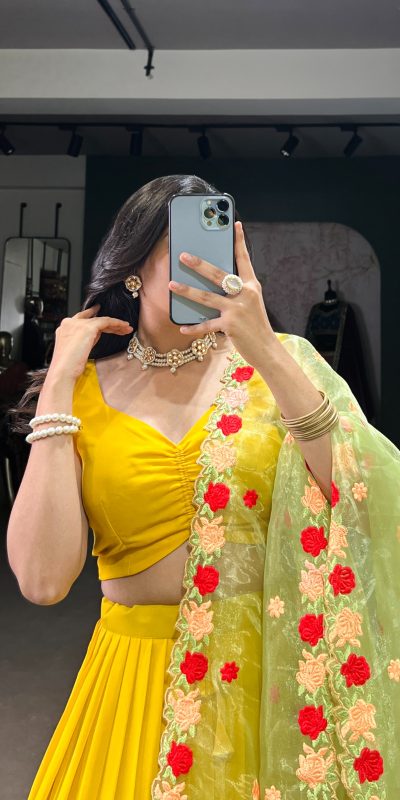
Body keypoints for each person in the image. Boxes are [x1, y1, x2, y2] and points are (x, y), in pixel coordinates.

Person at [6, 175, 400, 799]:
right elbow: (42, 581)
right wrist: (56, 383)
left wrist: (264, 348)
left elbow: (361, 496)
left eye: (216, 249)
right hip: (134, 683)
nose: (204, 267)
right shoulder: (81, 391)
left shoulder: (279, 365)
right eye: (182, 249)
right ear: (133, 269)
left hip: (265, 687)